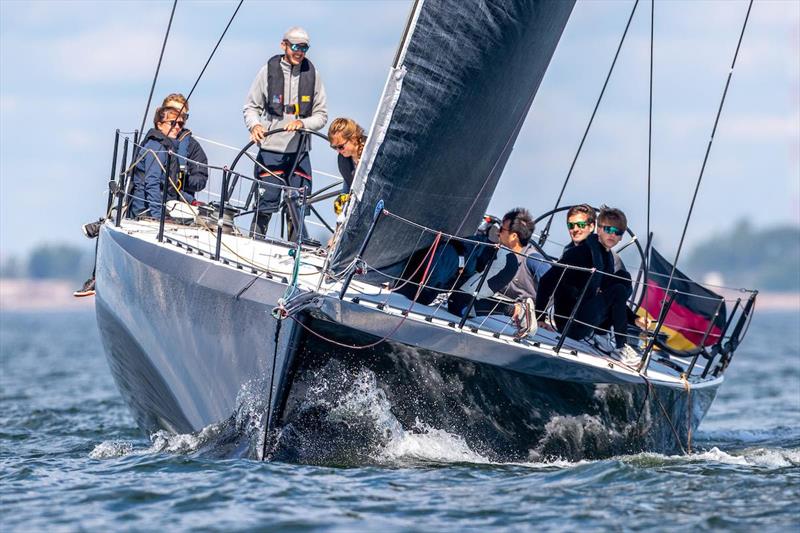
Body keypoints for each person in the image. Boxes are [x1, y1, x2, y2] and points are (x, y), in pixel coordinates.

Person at [74, 96, 207, 297]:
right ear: (160, 120)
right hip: (151, 204)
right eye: (173, 119)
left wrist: (186, 180)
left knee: (204, 216)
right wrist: (156, 215)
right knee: (115, 220)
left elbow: (198, 179)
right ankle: (98, 276)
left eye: (182, 119)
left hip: (174, 200)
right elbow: (151, 182)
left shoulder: (190, 146)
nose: (178, 124)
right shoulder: (157, 145)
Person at [243, 26, 328, 239]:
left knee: (297, 207)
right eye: (296, 46)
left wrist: (303, 123)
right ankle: (255, 241)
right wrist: (255, 125)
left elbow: (322, 116)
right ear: (284, 45)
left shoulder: (313, 75)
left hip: (299, 153)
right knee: (266, 203)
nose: (300, 52)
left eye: (305, 48)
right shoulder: (267, 71)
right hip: (271, 151)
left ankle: (295, 248)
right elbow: (251, 107)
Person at [535, 205, 638, 363]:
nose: (612, 235)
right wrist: (539, 317)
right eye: (608, 229)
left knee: (622, 279)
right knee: (617, 288)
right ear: (598, 229)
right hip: (570, 322)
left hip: (584, 317)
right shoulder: (581, 252)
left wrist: (635, 319)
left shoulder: (606, 256)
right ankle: (621, 347)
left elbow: (611, 297)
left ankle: (601, 335)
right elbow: (547, 280)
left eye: (617, 232)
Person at [448, 208, 550, 338]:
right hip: (502, 286)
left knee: (458, 304)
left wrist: (542, 316)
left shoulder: (532, 259)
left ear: (514, 236)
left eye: (501, 229)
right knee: (456, 303)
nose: (498, 233)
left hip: (508, 269)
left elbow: (552, 284)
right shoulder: (501, 250)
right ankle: (517, 309)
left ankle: (519, 311)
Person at [129, 106, 185, 220]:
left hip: (161, 205)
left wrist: (192, 201)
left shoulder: (166, 146)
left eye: (181, 124)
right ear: (159, 125)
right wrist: (158, 218)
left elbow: (170, 187)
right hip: (144, 211)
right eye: (173, 123)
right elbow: (152, 183)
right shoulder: (157, 148)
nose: (178, 127)